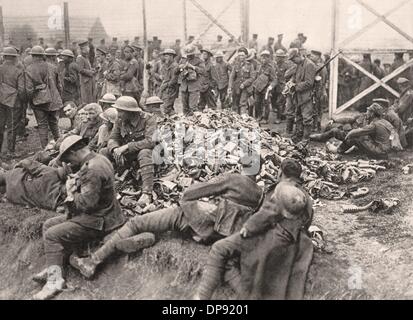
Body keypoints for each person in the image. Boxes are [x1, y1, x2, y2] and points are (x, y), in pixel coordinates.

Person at [68, 155, 264, 280]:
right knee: (163, 230)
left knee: (137, 221)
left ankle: (93, 261)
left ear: (242, 165)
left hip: (194, 219)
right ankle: (147, 239)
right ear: (259, 170)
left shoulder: (233, 178)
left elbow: (189, 193)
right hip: (215, 233)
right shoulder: (259, 194)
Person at [194, 159, 313, 300]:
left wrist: (248, 227)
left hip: (274, 236)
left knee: (219, 249)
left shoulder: (281, 189)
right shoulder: (306, 196)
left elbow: (267, 213)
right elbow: (307, 222)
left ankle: (202, 297)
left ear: (280, 172)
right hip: (297, 243)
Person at [32, 135, 127, 300]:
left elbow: (86, 204)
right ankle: (54, 266)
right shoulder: (100, 158)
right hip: (107, 213)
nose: (69, 163)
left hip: (100, 221)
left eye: (68, 159)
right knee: (48, 224)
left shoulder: (90, 169)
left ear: (75, 152)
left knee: (52, 234)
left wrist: (70, 193)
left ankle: (55, 281)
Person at [102, 96, 156, 206]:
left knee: (144, 152)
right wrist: (115, 149)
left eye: (120, 111)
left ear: (129, 112)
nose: (118, 114)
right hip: (129, 155)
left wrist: (127, 147)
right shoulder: (120, 120)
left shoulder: (148, 119)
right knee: (104, 152)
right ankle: (105, 186)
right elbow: (113, 138)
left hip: (148, 154)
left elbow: (151, 141)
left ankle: (147, 193)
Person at [26, 46, 62, 148]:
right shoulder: (53, 67)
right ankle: (60, 146)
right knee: (54, 124)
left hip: (39, 102)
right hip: (53, 100)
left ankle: (45, 149)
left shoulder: (29, 69)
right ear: (43, 56)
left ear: (32, 56)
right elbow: (60, 86)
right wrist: (57, 97)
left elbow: (29, 90)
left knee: (42, 125)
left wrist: (30, 102)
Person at [329, 103, 394, 158]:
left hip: (379, 152)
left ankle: (338, 150)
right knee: (364, 137)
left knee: (356, 137)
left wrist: (348, 135)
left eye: (368, 111)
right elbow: (393, 134)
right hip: (385, 151)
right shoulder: (385, 122)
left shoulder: (374, 125)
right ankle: (347, 148)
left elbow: (355, 132)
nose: (366, 113)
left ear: (372, 114)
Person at [286, 48, 316, 141]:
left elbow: (309, 83)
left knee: (307, 118)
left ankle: (306, 139)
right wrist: (291, 82)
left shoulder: (309, 65)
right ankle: (299, 136)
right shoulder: (299, 65)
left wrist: (295, 86)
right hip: (299, 96)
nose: (293, 61)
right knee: (298, 116)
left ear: (298, 56)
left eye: (293, 59)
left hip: (307, 96)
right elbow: (295, 77)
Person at [0, 47, 26, 158]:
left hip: (0, 101)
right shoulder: (18, 71)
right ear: (14, 57)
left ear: (4, 56)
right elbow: (21, 89)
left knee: (0, 126)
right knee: (11, 127)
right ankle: (10, 152)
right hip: (13, 102)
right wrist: (24, 102)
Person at [178, 45, 206, 116]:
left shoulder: (199, 61)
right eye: (187, 55)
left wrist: (193, 67)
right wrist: (180, 68)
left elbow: (203, 71)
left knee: (193, 107)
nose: (189, 56)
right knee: (185, 107)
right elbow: (177, 71)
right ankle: (186, 122)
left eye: (190, 54)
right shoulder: (183, 60)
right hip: (184, 86)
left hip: (194, 86)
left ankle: (194, 122)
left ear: (194, 53)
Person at [229, 47, 256, 115]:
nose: (241, 57)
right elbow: (232, 77)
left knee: (242, 103)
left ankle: (243, 119)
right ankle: (237, 119)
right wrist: (230, 87)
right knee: (235, 104)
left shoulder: (250, 65)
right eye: (240, 55)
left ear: (246, 56)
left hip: (245, 88)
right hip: (236, 88)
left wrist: (244, 84)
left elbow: (252, 77)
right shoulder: (236, 65)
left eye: (242, 55)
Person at [253, 50, 277, 124]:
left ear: (268, 58)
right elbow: (256, 77)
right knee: (257, 103)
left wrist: (270, 87)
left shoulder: (271, 68)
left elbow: (275, 80)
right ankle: (259, 116)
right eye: (262, 57)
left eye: (266, 58)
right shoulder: (258, 67)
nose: (264, 59)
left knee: (266, 104)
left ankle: (265, 118)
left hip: (266, 89)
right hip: (258, 88)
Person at [308, 50, 328, 132]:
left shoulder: (321, 67)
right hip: (312, 90)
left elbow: (323, 81)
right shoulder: (312, 65)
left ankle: (316, 125)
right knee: (313, 108)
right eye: (311, 55)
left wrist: (323, 91)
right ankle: (314, 125)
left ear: (318, 57)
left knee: (317, 108)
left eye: (313, 56)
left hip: (318, 90)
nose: (311, 57)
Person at [158, 49, 179, 116]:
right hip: (165, 88)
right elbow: (164, 77)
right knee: (166, 106)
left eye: (167, 56)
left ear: (171, 56)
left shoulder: (175, 66)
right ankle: (173, 120)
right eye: (165, 56)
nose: (165, 58)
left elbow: (174, 80)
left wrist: (166, 85)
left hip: (171, 89)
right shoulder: (165, 65)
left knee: (167, 107)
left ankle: (173, 118)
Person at [272, 49, 290, 124]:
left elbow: (288, 77)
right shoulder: (274, 65)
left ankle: (278, 118)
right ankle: (282, 114)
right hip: (275, 86)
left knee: (279, 102)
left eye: (279, 57)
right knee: (275, 102)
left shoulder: (286, 65)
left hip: (282, 86)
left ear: (282, 58)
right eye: (277, 56)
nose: (277, 58)